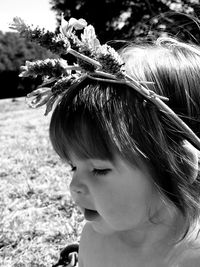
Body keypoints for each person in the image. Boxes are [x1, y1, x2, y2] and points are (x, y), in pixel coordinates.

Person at [11, 17, 200, 267]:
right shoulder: (95, 240)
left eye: (99, 170)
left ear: (180, 165)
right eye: (73, 167)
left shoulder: (189, 257)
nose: (74, 187)